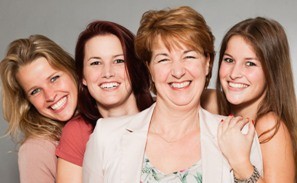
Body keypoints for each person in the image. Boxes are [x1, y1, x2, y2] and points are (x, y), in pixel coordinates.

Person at [83, 6, 263, 183]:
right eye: (163, 59)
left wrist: (242, 166)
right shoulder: (106, 137)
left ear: (207, 62)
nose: (177, 71)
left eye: (189, 56)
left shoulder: (240, 135)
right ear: (149, 68)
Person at [55, 20, 154, 183]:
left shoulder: (164, 115)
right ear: (83, 77)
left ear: (135, 67)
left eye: (119, 61)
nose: (107, 73)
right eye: (95, 63)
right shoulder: (78, 131)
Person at [202, 17, 296, 182]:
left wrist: (241, 163)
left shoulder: (270, 126)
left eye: (250, 64)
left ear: (271, 71)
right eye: (229, 60)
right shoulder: (212, 103)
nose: (234, 73)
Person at [0, 34, 78, 183]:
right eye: (35, 91)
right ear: (27, 101)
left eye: (54, 78)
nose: (50, 95)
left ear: (71, 70)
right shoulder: (36, 150)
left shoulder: (102, 119)